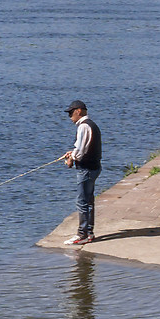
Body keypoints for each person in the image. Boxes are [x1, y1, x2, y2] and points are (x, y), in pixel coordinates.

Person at [61, 100, 100, 246]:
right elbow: (83, 147)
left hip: (86, 169)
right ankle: (89, 233)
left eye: (71, 113)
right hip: (94, 167)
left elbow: (81, 150)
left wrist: (71, 159)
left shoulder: (84, 126)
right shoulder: (91, 124)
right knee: (88, 201)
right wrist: (73, 153)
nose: (70, 117)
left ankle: (82, 234)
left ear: (78, 111)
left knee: (82, 201)